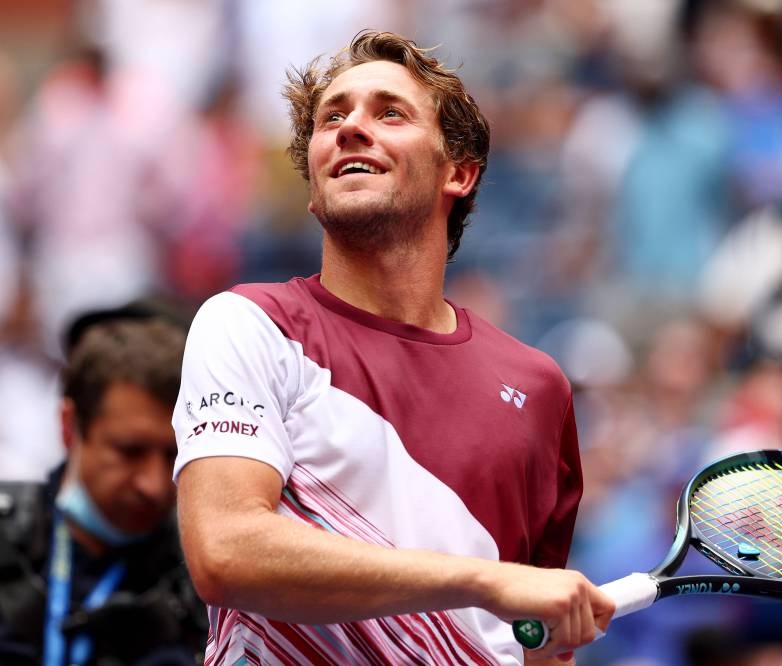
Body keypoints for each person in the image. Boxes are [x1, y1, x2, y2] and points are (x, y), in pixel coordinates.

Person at [173, 30, 614, 665]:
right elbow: (226, 550)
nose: (351, 128)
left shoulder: (538, 385)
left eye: (390, 112)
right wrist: (479, 580)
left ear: (458, 173)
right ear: (315, 182)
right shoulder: (248, 323)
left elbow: (537, 639)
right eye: (333, 117)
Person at [0, 304, 206, 665]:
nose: (154, 485)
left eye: (174, 455)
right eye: (130, 451)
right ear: (68, 426)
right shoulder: (8, 538)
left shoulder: (206, 585)